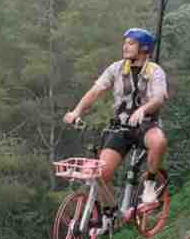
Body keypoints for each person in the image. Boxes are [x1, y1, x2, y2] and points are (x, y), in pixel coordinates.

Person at [63, 28, 169, 224]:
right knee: (101, 173)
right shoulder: (116, 68)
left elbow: (159, 98)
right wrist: (76, 112)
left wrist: (143, 110)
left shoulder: (155, 71)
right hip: (121, 127)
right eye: (125, 42)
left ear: (144, 48)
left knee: (159, 142)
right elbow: (95, 91)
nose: (125, 46)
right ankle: (110, 213)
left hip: (145, 125)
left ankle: (149, 185)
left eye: (131, 43)